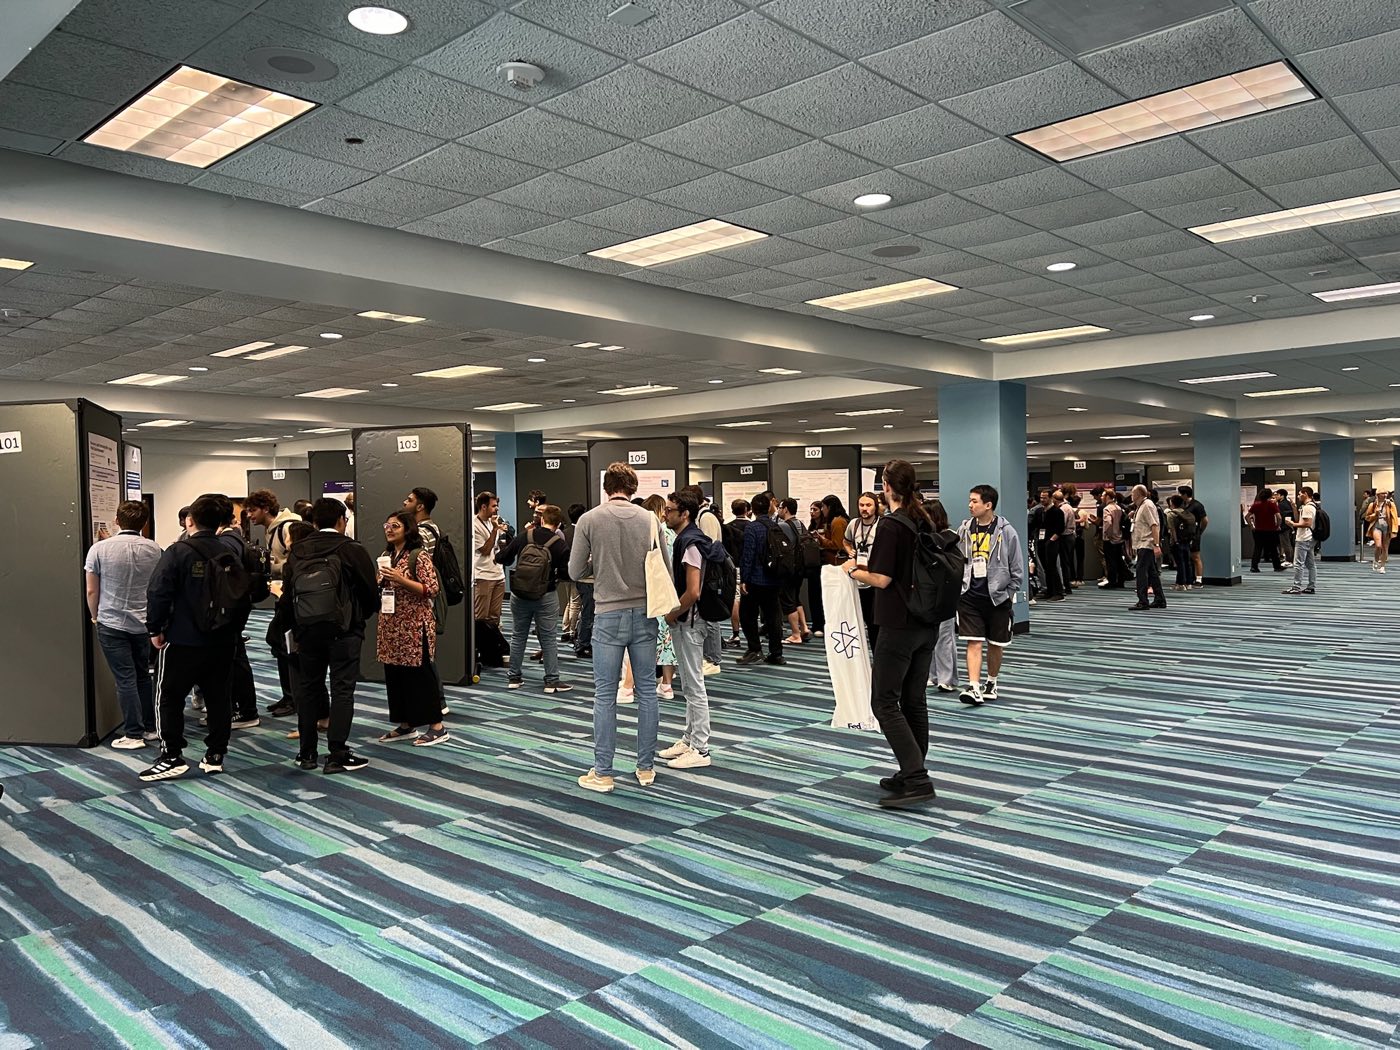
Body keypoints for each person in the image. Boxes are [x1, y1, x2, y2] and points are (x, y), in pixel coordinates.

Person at [841, 459, 936, 809]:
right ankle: (913, 768)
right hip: (926, 621)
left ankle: (916, 777)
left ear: (886, 487)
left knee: (883, 701)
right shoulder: (923, 518)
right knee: (913, 700)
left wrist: (853, 571)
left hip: (898, 622)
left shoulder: (892, 525)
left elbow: (881, 578)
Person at [139, 494, 247, 782]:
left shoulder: (178, 551)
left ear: (190, 520)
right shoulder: (232, 551)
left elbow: (158, 592)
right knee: (219, 697)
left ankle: (171, 754)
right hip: (224, 639)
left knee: (168, 696)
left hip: (182, 638)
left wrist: (155, 628)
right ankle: (215, 754)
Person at [571, 462, 663, 793]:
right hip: (645, 613)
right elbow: (662, 565)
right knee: (648, 691)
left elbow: (573, 569)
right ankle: (645, 768)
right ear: (633, 487)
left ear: (607, 487)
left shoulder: (589, 519)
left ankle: (603, 772)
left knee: (605, 694)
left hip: (608, 613)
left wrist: (600, 564)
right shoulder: (650, 519)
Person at [281, 497, 378, 773]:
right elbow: (370, 593)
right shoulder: (351, 549)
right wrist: (357, 619)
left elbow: (288, 596)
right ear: (341, 520)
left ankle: (306, 753)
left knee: (309, 689)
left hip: (307, 631)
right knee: (342, 689)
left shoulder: (299, 551)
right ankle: (337, 753)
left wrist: (295, 628)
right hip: (344, 631)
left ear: (313, 522)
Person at [658, 490, 727, 769]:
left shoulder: (690, 544)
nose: (665, 514)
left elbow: (693, 591)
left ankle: (700, 747)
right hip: (690, 620)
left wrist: (673, 614)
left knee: (694, 685)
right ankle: (689, 739)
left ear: (684, 513)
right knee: (688, 683)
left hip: (690, 621)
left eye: (670, 510)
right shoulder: (691, 539)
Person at [85, 500, 162, 749]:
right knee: (143, 676)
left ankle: (133, 734)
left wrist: (95, 616)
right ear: (145, 523)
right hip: (143, 623)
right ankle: (150, 728)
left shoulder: (99, 549)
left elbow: (91, 590)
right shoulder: (154, 549)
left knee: (124, 679)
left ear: (117, 520)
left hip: (112, 621)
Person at [376, 511, 449, 745]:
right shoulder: (387, 555)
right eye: (387, 525)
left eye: (395, 526)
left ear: (408, 529)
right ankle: (405, 724)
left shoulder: (419, 556)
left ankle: (437, 727)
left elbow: (431, 589)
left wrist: (400, 579)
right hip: (391, 626)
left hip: (415, 626)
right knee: (396, 675)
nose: (389, 529)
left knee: (421, 676)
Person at [956, 485, 1024, 706]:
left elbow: (1017, 570)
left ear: (988, 505)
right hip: (970, 596)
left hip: (997, 598)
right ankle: (974, 687)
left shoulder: (1006, 532)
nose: (970, 505)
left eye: (974, 501)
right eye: (970, 501)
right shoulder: (965, 530)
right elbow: (958, 559)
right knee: (973, 642)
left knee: (996, 644)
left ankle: (991, 682)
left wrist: (1007, 593)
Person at [496, 503, 573, 695]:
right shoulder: (559, 544)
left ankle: (514, 678)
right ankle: (551, 681)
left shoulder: (524, 536)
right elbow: (566, 573)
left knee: (518, 635)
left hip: (519, 593)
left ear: (542, 519)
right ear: (558, 524)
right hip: (545, 595)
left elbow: (502, 558)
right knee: (548, 638)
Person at [244, 488, 302, 718]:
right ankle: (289, 696)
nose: (249, 515)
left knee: (286, 646)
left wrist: (269, 567)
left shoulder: (288, 527)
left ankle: (294, 698)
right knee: (279, 645)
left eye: (252, 510)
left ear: (266, 509)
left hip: (292, 598)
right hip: (282, 596)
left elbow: (296, 562)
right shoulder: (272, 529)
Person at [738, 493, 786, 667]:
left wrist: (744, 579)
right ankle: (776, 653)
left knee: (747, 615)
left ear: (752, 510)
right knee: (773, 617)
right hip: (774, 578)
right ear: (768, 508)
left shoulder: (752, 528)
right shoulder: (776, 526)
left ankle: (754, 649)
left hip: (756, 580)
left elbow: (748, 554)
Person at [924, 498, 959, 694]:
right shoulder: (922, 537)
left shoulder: (949, 538)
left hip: (945, 592)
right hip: (927, 592)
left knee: (945, 637)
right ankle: (932, 675)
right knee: (929, 636)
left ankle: (947, 678)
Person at [844, 490, 882, 649]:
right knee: (858, 621)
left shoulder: (882, 524)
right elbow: (846, 541)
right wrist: (849, 551)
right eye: (861, 505)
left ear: (875, 507)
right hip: (857, 579)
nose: (864, 508)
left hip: (875, 580)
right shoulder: (854, 524)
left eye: (868, 505)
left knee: (875, 624)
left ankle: (878, 657)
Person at [775, 497, 811, 644]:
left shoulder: (784, 526)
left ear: (786, 509)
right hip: (801, 567)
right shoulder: (800, 524)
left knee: (788, 601)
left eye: (780, 508)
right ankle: (804, 628)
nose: (778, 510)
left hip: (789, 568)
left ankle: (795, 634)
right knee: (796, 598)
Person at [471, 491, 510, 629]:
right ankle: (478, 649)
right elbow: (485, 550)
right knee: (481, 617)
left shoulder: (492, 522)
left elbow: (497, 547)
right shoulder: (474, 525)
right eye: (493, 506)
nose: (497, 508)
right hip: (483, 576)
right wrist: (495, 530)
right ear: (483, 507)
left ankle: (492, 649)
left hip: (499, 575)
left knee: (495, 617)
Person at [1128, 484, 1166, 611]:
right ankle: (1160, 599)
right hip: (1142, 544)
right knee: (1152, 573)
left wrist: (1156, 545)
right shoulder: (1141, 506)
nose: (1131, 496)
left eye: (1133, 494)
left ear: (1138, 494)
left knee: (1141, 572)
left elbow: (1154, 525)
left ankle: (1142, 601)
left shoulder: (1147, 505)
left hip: (1147, 543)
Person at [1283, 486, 1317, 595]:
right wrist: (1294, 508)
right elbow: (1302, 519)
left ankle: (1296, 587)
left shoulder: (1308, 507)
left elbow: (1307, 523)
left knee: (1298, 564)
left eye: (1299, 494)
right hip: (1310, 538)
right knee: (1310, 564)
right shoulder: (1311, 506)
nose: (1298, 496)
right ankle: (1311, 586)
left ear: (1305, 494)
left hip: (1303, 538)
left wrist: (1293, 524)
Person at [1177, 485, 1208, 588]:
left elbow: (1205, 520)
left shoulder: (1197, 505)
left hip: (1194, 534)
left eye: (1180, 494)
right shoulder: (1183, 505)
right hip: (1184, 534)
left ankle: (1199, 580)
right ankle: (1190, 578)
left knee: (1195, 557)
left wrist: (1199, 531)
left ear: (1185, 494)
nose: (1179, 496)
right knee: (1186, 557)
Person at [1164, 495, 1196, 591]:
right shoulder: (1187, 513)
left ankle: (1181, 584)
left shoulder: (1171, 514)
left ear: (1172, 503)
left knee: (1180, 563)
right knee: (1187, 562)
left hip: (1177, 541)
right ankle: (1189, 583)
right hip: (1187, 540)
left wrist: (1175, 541)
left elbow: (1172, 529)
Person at [1097, 488, 1128, 588]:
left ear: (1108, 497)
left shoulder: (1107, 509)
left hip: (1110, 539)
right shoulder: (1118, 508)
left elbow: (1108, 523)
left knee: (1110, 561)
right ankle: (1121, 580)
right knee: (1119, 559)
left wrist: (1108, 535)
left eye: (1103, 495)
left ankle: (1112, 581)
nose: (1101, 497)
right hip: (1119, 537)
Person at [1247, 488, 1283, 573]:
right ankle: (1277, 566)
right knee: (1273, 549)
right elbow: (1279, 517)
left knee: (1257, 548)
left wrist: (1251, 526)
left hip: (1258, 530)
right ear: (1270, 495)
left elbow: (1247, 516)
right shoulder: (1272, 504)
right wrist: (1278, 525)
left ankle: (1254, 566)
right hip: (1271, 530)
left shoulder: (1256, 505)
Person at [1367, 491, 1396, 573]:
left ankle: (1382, 566)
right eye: (1382, 493)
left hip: (1387, 527)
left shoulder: (1390, 504)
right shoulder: (1372, 505)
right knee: (1378, 545)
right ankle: (1376, 560)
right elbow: (1367, 517)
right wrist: (1375, 514)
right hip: (1377, 526)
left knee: (1385, 548)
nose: (1384, 495)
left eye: (1385, 493)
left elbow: (1394, 517)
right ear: (1378, 495)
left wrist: (1394, 529)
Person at [1275, 489, 1296, 566]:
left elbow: (1281, 517)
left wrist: (1279, 525)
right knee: (1288, 543)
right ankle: (1290, 559)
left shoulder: (1281, 505)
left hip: (1284, 527)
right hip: (1288, 526)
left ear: (1282, 496)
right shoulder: (1287, 503)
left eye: (1277, 495)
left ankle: (1289, 560)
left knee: (1286, 544)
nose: (1276, 496)